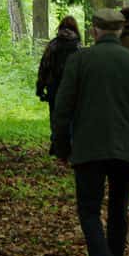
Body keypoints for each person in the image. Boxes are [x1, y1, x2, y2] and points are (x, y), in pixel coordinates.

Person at [52, 8, 129, 256]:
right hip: (124, 150)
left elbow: (62, 107)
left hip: (88, 149)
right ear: (119, 31)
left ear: (94, 31)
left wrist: (61, 146)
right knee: (118, 209)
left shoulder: (80, 61)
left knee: (88, 210)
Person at [35, 16, 82, 155]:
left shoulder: (53, 45)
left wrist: (40, 87)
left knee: (55, 115)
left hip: (54, 86)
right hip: (74, 87)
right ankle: (71, 145)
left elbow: (44, 66)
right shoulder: (78, 46)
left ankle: (56, 145)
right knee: (73, 116)